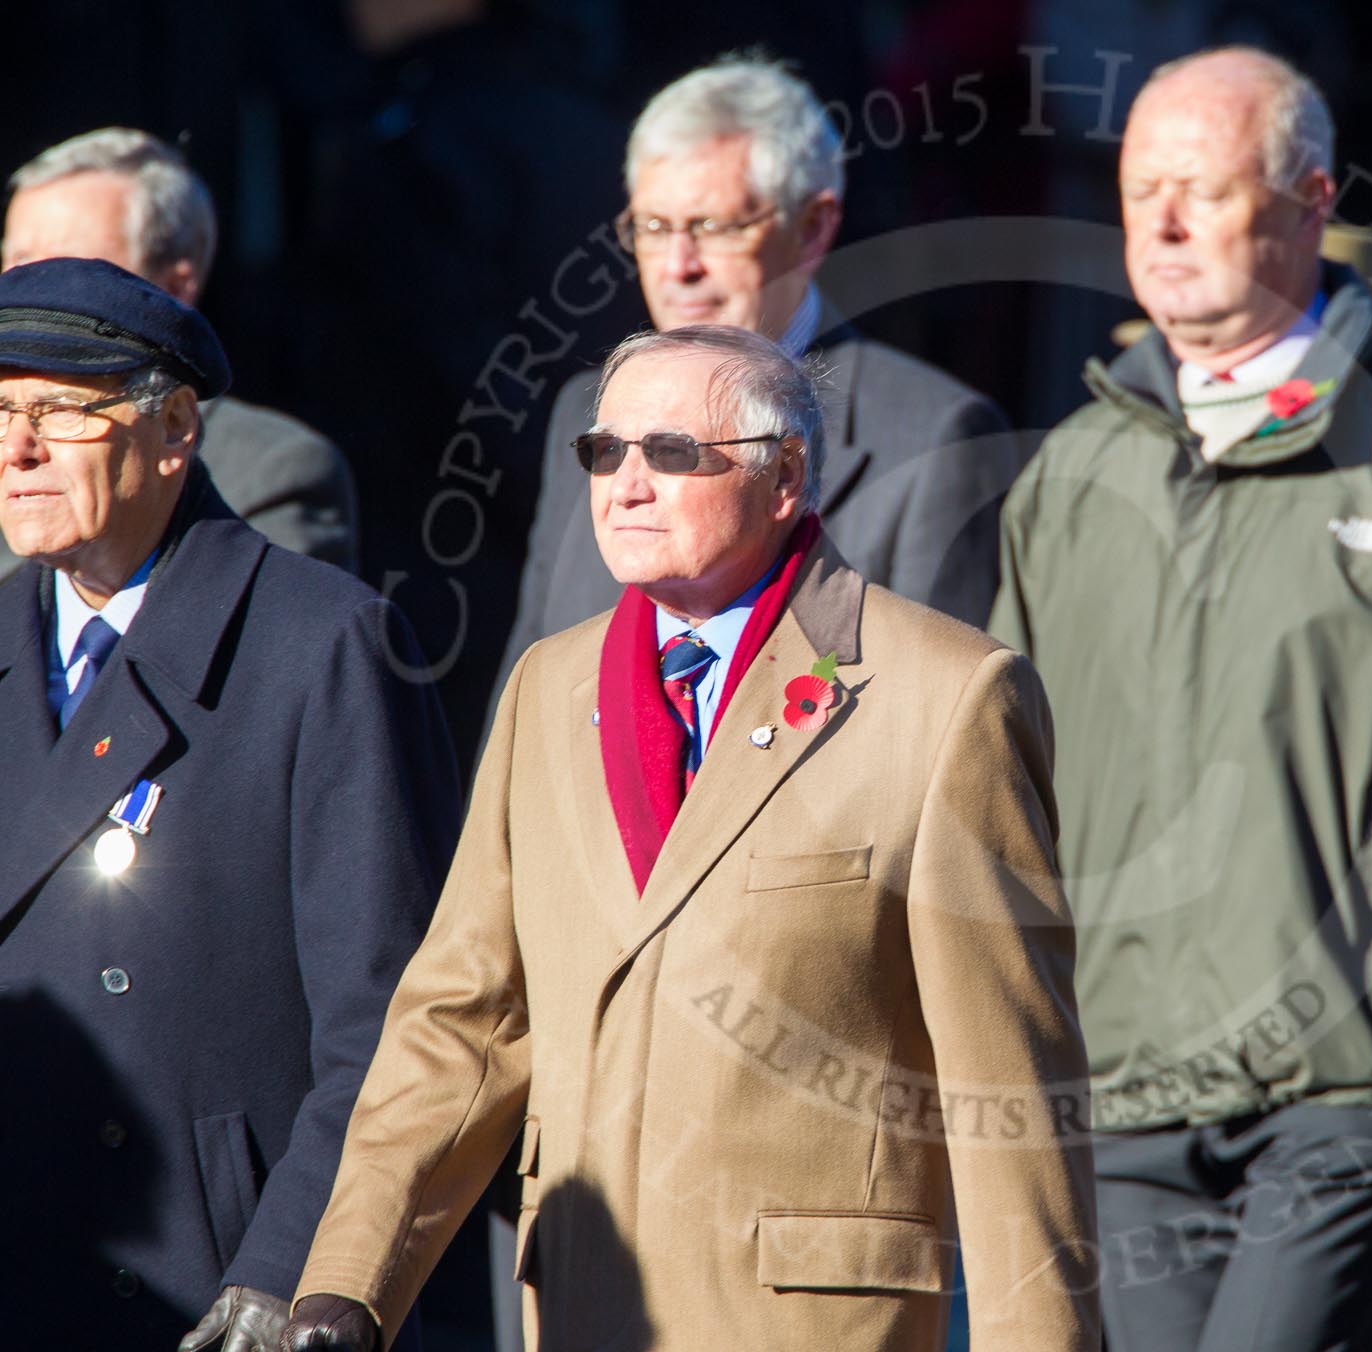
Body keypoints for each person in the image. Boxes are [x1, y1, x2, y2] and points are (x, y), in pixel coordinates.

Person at [278, 325, 1098, 1352]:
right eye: (603, 451)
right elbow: (466, 1019)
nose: (624, 483)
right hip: (583, 1302)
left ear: (785, 474)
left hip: (813, 1319)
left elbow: (1008, 1088)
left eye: (670, 452)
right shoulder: (548, 687)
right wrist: (345, 1285)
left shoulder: (947, 694)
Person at [989, 46, 1372, 1352]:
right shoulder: (1075, 470)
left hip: (1356, 1084)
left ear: (1311, 198)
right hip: (1129, 1093)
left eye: (1202, 190)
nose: (1158, 224)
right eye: (1138, 189)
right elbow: (1005, 795)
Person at [0, 259, 457, 1351]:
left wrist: (294, 1265)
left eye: (60, 411)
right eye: (0, 412)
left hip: (217, 1291)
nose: (16, 449)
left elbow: (397, 1016)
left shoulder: (320, 643)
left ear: (176, 431)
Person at [499, 55, 1018, 693]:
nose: (677, 265)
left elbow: (941, 731)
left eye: (713, 226)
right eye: (655, 227)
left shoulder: (935, 435)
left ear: (811, 229)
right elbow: (523, 707)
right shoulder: (584, 419)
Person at [1, 127, 360, 577]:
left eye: (67, 269)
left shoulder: (270, 469)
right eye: (15, 261)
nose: (25, 292)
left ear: (171, 290)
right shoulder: (9, 440)